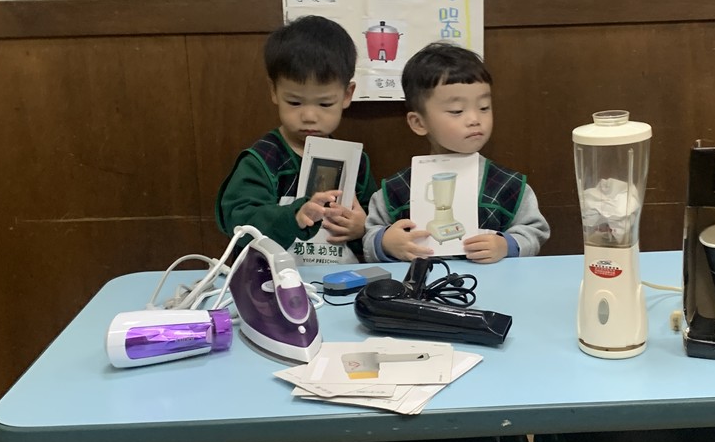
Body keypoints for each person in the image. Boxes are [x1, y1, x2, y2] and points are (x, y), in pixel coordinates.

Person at [364, 42, 549, 263]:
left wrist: (506, 245)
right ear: (419, 122)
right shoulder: (396, 190)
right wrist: (385, 243)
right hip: (421, 283)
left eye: (484, 107)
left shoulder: (509, 185)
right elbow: (369, 236)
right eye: (457, 111)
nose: (474, 119)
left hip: (494, 281)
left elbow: (535, 231)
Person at [215, 16, 377, 262]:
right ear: (274, 91)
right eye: (294, 102)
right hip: (271, 277)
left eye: (325, 103)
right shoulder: (262, 161)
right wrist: (292, 217)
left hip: (341, 277)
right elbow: (238, 221)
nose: (309, 116)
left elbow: (375, 220)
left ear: (347, 95)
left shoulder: (356, 162)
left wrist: (361, 228)